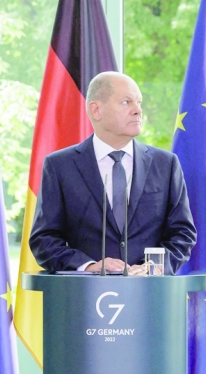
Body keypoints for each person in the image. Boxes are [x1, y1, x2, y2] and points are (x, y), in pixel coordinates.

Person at [29, 71, 197, 275]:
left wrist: (152, 268)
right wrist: (89, 266)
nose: (138, 110)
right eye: (126, 102)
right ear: (96, 110)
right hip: (86, 297)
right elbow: (44, 239)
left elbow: (183, 233)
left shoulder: (166, 164)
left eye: (139, 102)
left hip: (151, 297)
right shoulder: (60, 166)